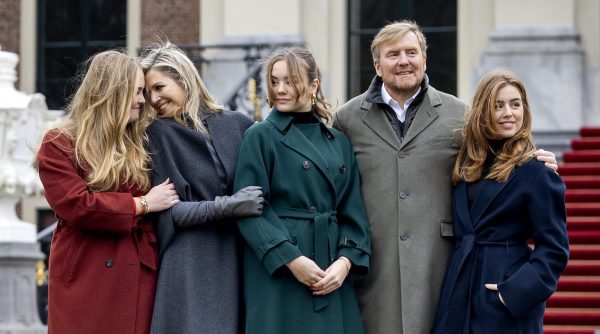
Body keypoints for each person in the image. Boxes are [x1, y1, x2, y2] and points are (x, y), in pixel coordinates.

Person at [331, 20, 559, 334]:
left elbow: (497, 153)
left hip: (445, 269)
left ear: (424, 59)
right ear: (377, 64)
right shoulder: (346, 119)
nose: (404, 61)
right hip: (375, 271)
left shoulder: (459, 115)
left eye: (411, 52)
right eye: (393, 54)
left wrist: (534, 158)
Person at [36, 50, 178, 334]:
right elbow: (79, 205)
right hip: (86, 272)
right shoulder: (60, 143)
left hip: (137, 270)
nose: (142, 100)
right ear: (112, 91)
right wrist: (143, 205)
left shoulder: (143, 142)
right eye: (136, 91)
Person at [234, 47, 371, 334]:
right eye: (274, 81)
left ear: (313, 85)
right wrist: (292, 260)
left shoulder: (338, 141)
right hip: (279, 274)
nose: (280, 89)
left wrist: (344, 264)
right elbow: (249, 210)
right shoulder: (259, 136)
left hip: (331, 272)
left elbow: (353, 212)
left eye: (291, 81)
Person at [431, 69, 569, 333]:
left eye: (515, 105)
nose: (509, 113)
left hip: (503, 292)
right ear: (483, 112)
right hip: (460, 286)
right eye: (498, 106)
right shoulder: (467, 164)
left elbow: (555, 248)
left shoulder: (537, 170)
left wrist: (515, 291)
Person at [140, 42, 263, 334]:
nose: (154, 99)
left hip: (238, 258)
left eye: (159, 87)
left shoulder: (239, 125)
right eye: (148, 94)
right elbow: (169, 213)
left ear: (183, 79)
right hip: (190, 264)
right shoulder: (156, 136)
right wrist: (227, 206)